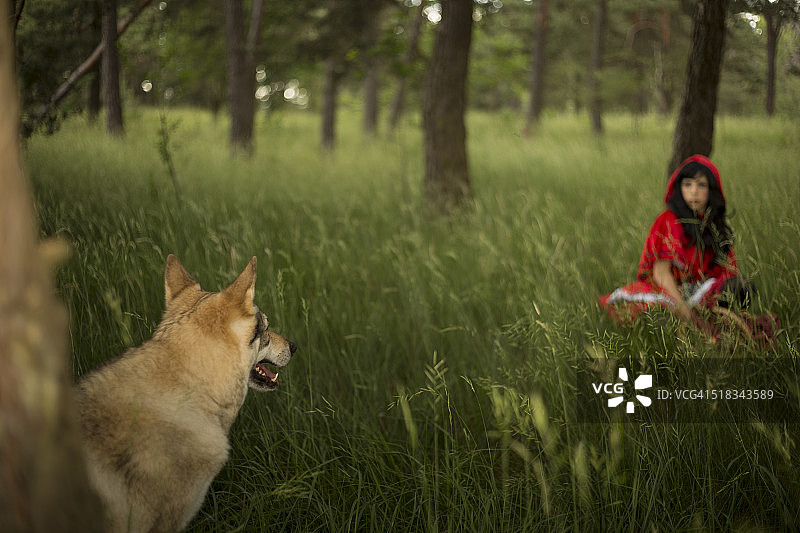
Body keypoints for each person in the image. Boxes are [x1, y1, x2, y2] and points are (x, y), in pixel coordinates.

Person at [599, 154, 776, 342]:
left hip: (703, 291)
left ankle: (719, 325)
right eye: (688, 185)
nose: (694, 192)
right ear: (680, 188)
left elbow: (727, 271)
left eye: (701, 185)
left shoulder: (714, 224)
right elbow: (661, 274)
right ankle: (695, 327)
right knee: (658, 319)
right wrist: (686, 313)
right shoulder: (668, 220)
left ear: (711, 190)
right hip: (668, 291)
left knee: (742, 285)